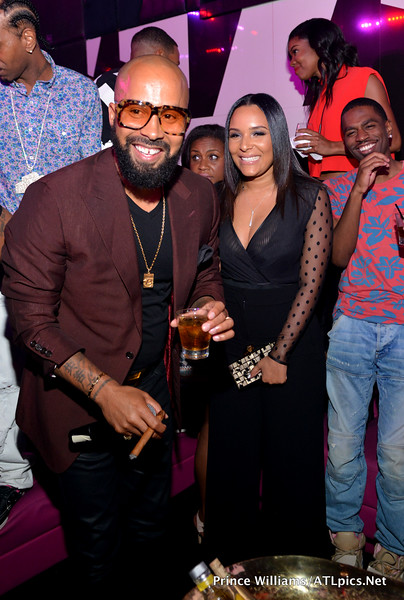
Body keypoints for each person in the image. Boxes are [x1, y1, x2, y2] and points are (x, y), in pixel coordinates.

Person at [1, 54, 234, 592]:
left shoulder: (199, 195)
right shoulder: (53, 199)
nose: (153, 129)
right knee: (97, 548)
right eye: (136, 110)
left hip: (156, 393)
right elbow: (30, 320)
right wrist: (105, 392)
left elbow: (207, 269)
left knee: (151, 529)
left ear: (185, 123)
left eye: (170, 115)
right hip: (76, 406)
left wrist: (210, 302)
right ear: (112, 114)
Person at [203, 93, 333, 565]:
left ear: (276, 136)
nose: (245, 145)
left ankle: (294, 571)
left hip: (290, 347)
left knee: (291, 463)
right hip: (232, 347)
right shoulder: (220, 197)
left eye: (258, 133)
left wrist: (279, 355)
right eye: (235, 134)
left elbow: (312, 285)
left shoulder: (309, 195)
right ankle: (230, 569)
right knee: (231, 460)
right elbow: (209, 273)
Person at [0, 0, 102, 529]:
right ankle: (10, 475)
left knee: (61, 360)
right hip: (3, 250)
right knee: (2, 370)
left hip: (65, 259)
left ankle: (73, 457)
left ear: (27, 38)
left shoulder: (81, 93)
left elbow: (90, 179)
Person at [323, 97, 404, 580]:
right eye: (350, 132)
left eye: (369, 126)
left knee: (396, 454)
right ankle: (346, 538)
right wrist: (358, 188)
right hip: (352, 325)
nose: (361, 137)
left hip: (403, 329)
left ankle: (393, 548)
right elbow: (337, 256)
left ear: (389, 130)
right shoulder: (337, 187)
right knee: (342, 446)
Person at [181, 123, 225, 543]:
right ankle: (206, 519)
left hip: (246, 328)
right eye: (194, 157)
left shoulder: (246, 201)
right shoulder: (183, 207)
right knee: (215, 423)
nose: (203, 166)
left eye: (213, 157)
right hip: (203, 330)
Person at [288, 18, 401, 180]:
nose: (292, 62)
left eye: (295, 51)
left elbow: (394, 141)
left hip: (363, 189)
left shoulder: (363, 78)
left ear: (319, 44)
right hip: (326, 190)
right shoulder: (320, 94)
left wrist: (331, 147)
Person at [96, 26, 180, 148]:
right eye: (175, 64)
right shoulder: (109, 86)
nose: (176, 71)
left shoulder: (155, 91)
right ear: (160, 55)